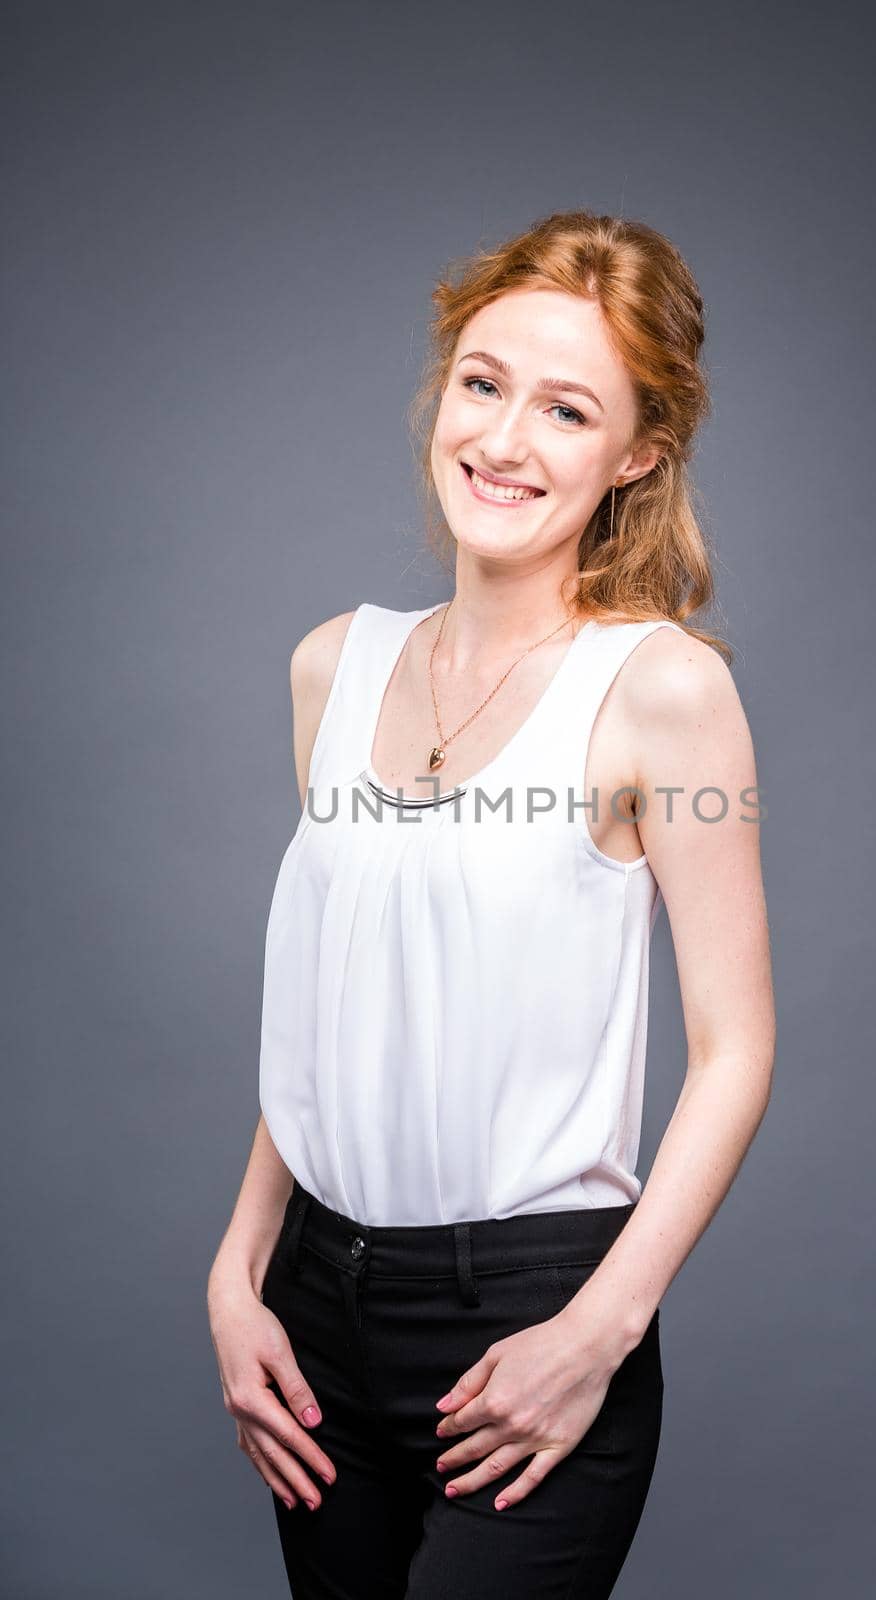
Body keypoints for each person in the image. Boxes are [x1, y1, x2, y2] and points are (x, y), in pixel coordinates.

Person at [207, 210, 776, 1598]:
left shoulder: (663, 690)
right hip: (313, 1317)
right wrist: (237, 1274)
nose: (505, 440)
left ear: (638, 451)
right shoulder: (330, 669)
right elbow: (344, 1014)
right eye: (483, 382)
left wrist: (602, 1331)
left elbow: (736, 1048)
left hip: (537, 1310)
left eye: (567, 407)